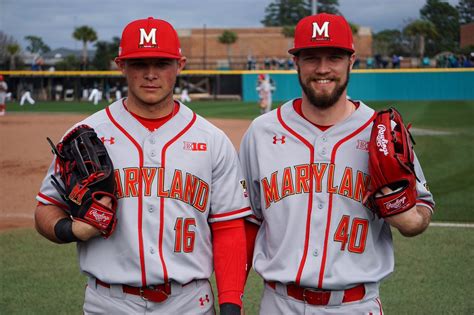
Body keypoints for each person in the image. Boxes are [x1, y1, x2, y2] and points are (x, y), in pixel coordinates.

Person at [35, 17, 252, 315]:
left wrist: (230, 303)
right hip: (108, 302)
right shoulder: (87, 135)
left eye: (161, 63)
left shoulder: (212, 139)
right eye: (139, 64)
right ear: (121, 65)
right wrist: (70, 229)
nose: (151, 74)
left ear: (180, 64)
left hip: (189, 302)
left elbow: (228, 226)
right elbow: (46, 207)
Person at [239, 13, 435, 314]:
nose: (322, 69)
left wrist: (408, 218)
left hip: (356, 305)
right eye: (311, 58)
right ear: (296, 63)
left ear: (351, 61)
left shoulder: (382, 133)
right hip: (279, 304)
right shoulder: (262, 133)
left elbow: (421, 210)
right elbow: (245, 222)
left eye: (333, 57)